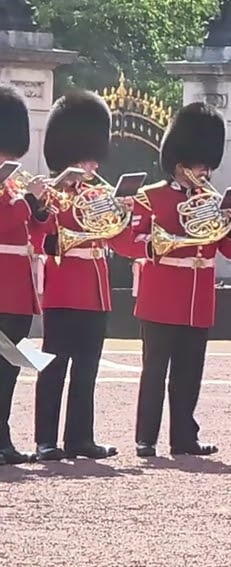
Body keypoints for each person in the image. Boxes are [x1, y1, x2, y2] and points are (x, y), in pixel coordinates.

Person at [125, 102, 231, 458]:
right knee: (154, 371)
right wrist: (153, 244)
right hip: (162, 294)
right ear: (180, 164)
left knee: (190, 373)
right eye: (200, 164)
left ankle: (183, 437)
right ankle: (146, 437)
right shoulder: (151, 196)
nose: (205, 171)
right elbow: (130, 241)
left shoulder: (213, 201)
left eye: (207, 165)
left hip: (198, 295)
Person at [34, 90, 126, 461]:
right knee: (54, 367)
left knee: (87, 370)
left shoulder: (99, 193)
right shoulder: (51, 192)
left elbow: (119, 239)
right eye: (87, 157)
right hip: (63, 287)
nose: (93, 164)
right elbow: (41, 236)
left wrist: (124, 212)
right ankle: (45, 440)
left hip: (96, 291)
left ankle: (80, 438)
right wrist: (46, 203)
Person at [0, 86, 51, 465]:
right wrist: (25, 201)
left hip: (17, 293)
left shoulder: (13, 186)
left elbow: (34, 234)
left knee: (9, 371)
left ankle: (3, 440)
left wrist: (40, 207)